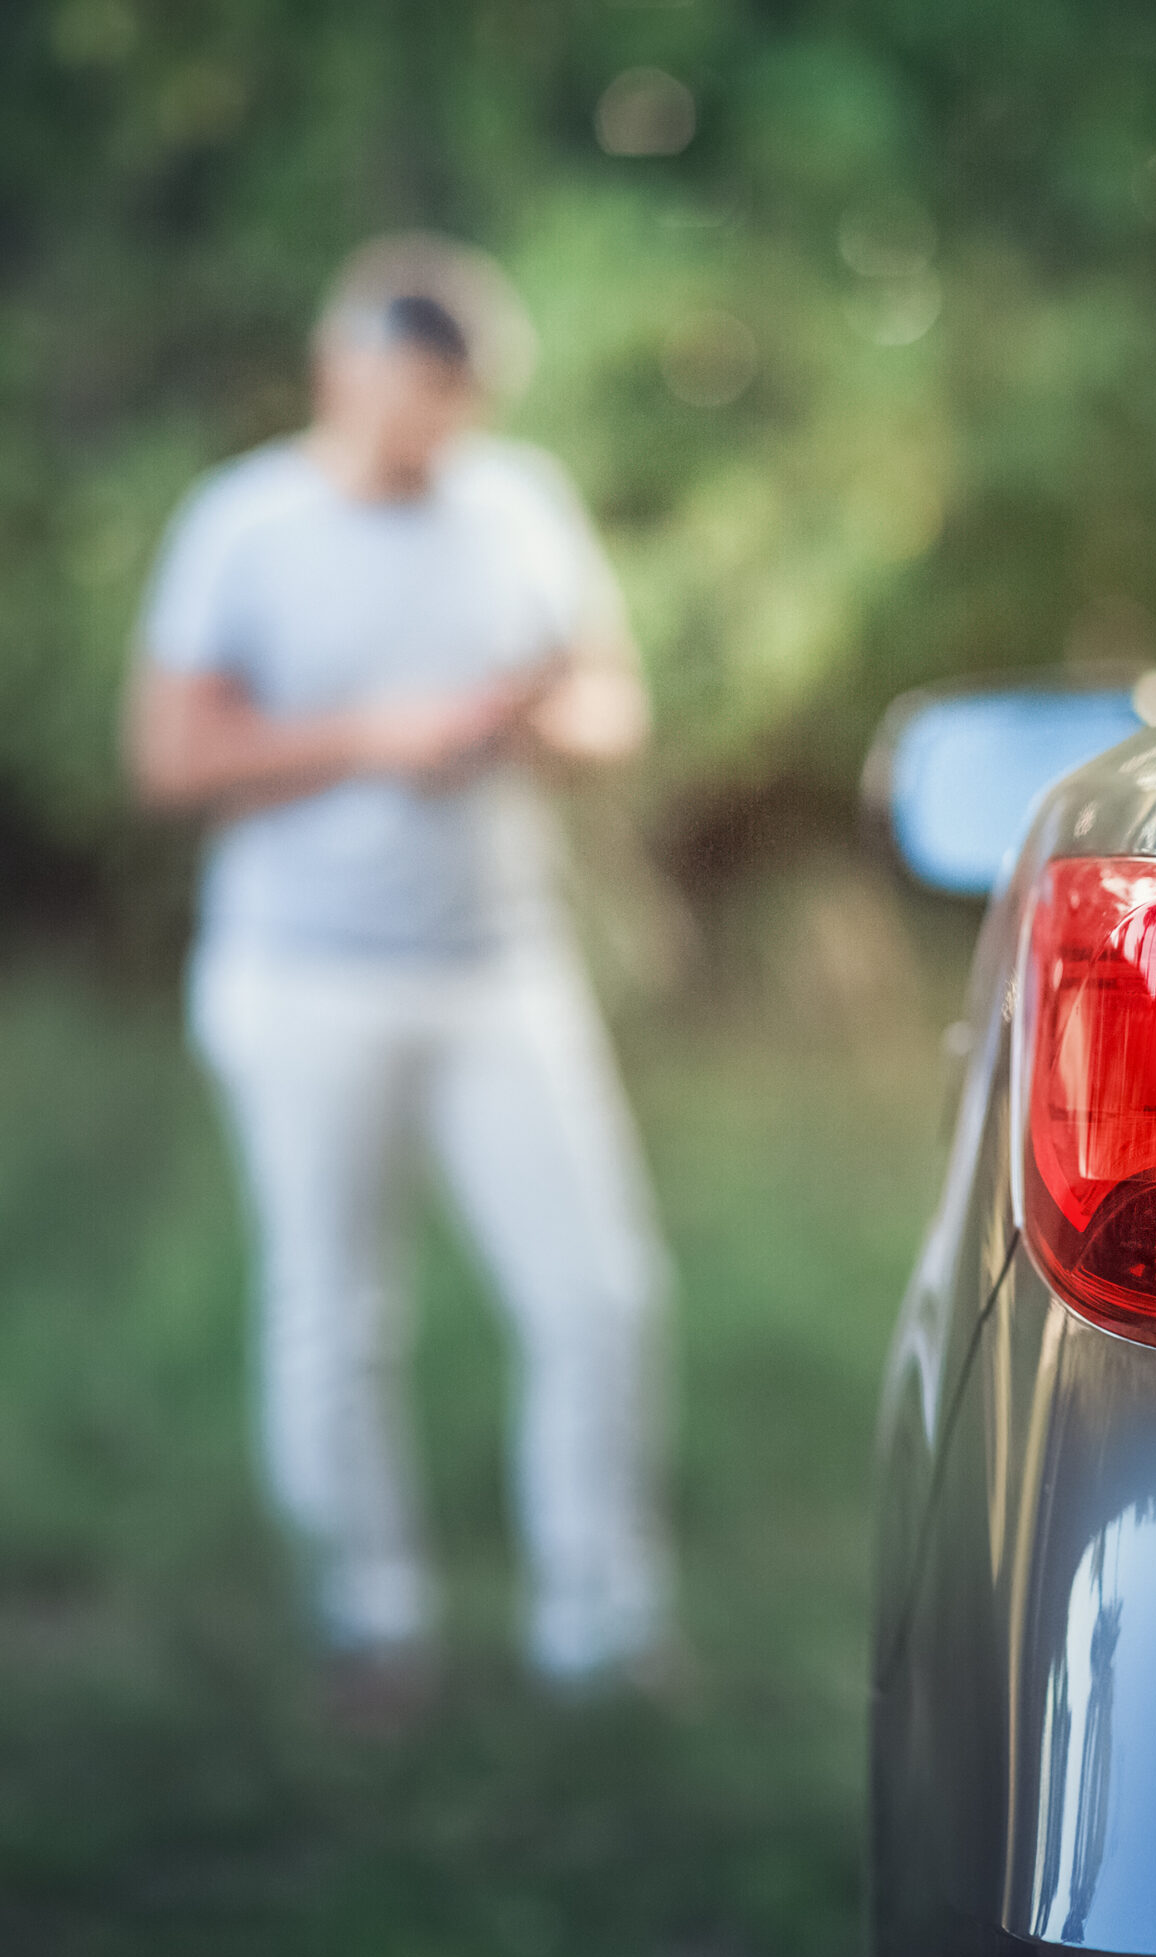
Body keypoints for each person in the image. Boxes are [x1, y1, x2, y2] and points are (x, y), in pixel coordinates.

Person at [125, 234, 673, 1706]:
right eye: (417, 390)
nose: (440, 424)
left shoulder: (521, 505)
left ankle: (601, 1623)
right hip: (304, 984)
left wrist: (530, 728)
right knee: (336, 1310)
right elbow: (172, 754)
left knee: (601, 1296)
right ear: (342, 368)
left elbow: (612, 704)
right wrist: (381, 734)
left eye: (463, 396)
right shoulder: (242, 524)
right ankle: (369, 1620)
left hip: (505, 970)